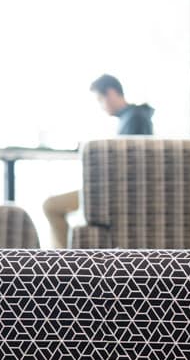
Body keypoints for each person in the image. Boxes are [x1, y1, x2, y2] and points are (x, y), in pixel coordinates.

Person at [41, 75, 154, 248]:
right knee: (52, 205)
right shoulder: (131, 118)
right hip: (111, 188)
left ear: (111, 93)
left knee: (51, 205)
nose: (101, 107)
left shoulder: (134, 119)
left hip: (112, 192)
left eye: (100, 100)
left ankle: (62, 263)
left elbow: (129, 164)